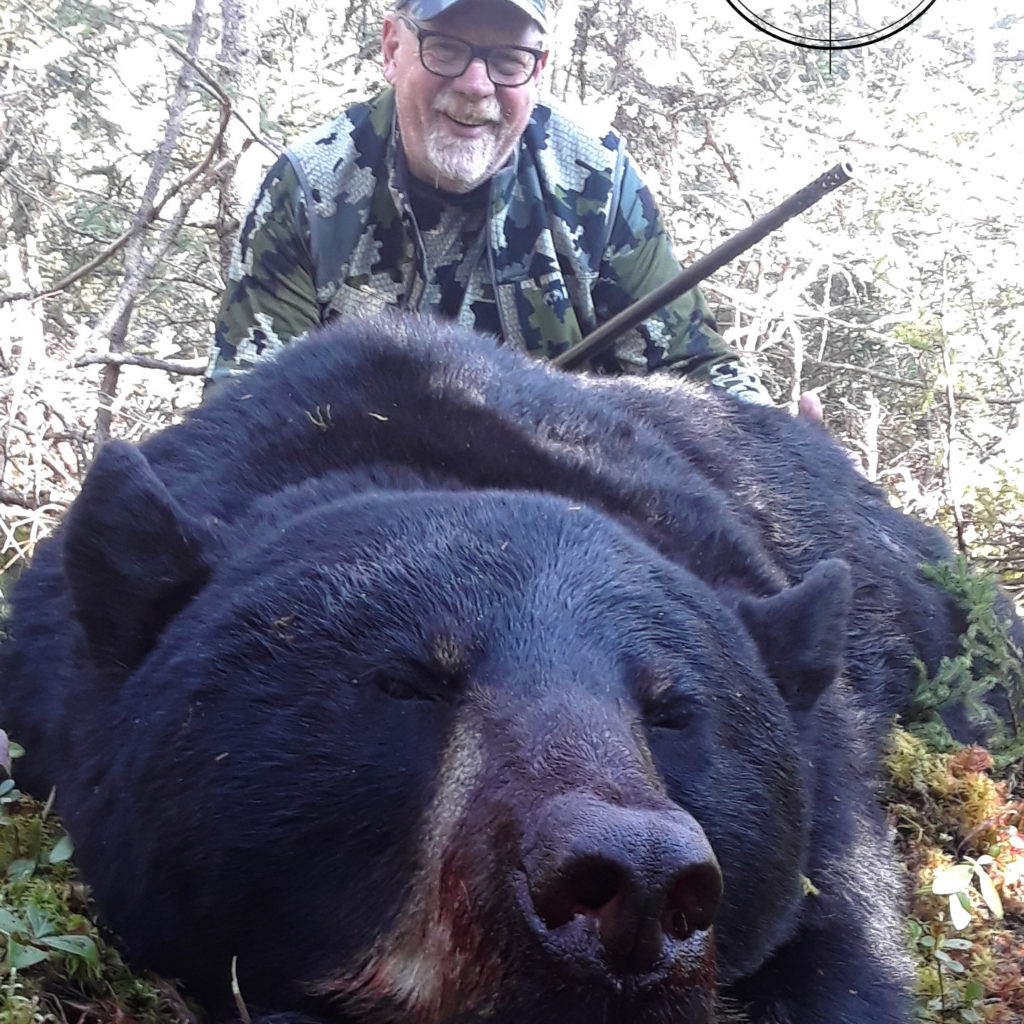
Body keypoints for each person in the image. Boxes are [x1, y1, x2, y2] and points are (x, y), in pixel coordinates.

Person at [206, 0, 773, 406]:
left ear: (538, 70)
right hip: (365, 505)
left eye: (507, 61)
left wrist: (783, 450)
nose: (477, 85)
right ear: (392, 49)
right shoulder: (310, 188)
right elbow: (246, 402)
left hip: (566, 504)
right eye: (446, 48)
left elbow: (689, 368)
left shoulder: (595, 179)